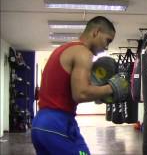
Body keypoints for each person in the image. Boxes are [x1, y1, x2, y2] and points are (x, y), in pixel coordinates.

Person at [31, 16, 129, 155]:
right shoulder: (83, 53)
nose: (106, 46)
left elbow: (67, 90)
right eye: (107, 40)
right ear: (96, 32)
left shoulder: (64, 49)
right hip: (57, 124)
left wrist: (98, 92)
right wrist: (111, 87)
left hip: (41, 124)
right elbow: (81, 93)